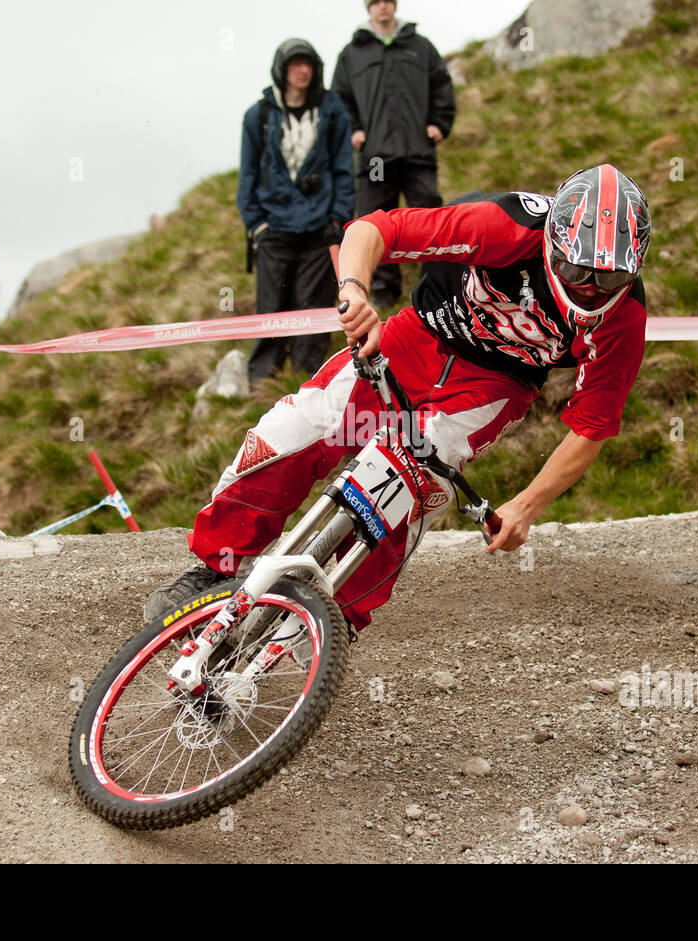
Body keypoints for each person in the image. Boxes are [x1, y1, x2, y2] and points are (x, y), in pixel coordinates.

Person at [146, 164, 652, 628]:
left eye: (609, 276)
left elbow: (592, 426)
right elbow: (374, 229)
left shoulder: (624, 316)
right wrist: (355, 291)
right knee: (293, 431)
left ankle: (332, 622)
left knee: (406, 485)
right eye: (576, 271)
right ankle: (216, 567)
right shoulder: (503, 225)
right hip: (417, 336)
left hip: (493, 386)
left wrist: (525, 506)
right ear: (552, 245)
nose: (589, 288)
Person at [239, 38, 356, 384]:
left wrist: (337, 218)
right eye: (295, 64)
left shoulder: (333, 112)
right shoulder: (258, 116)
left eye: (308, 63)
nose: (303, 70)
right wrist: (255, 224)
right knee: (271, 306)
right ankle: (263, 379)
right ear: (282, 69)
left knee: (314, 307)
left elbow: (343, 171)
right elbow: (247, 175)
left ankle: (309, 380)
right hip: (273, 228)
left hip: (319, 228)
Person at [333, 0, 456, 312]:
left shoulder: (420, 46)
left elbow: (442, 86)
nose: (383, 7)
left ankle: (435, 288)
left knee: (428, 217)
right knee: (375, 219)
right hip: (375, 156)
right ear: (369, 8)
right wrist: (354, 130)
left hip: (417, 151)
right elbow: (340, 98)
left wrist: (439, 124)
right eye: (376, 2)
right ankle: (384, 290)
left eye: (388, 1)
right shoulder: (352, 53)